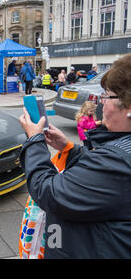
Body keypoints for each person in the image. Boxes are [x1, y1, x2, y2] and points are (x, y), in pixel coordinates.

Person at [18, 53, 131, 259]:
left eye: (107, 96)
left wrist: (34, 140)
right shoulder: (118, 154)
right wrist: (69, 149)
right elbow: (95, 177)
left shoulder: (116, 165)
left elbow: (48, 192)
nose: (101, 103)